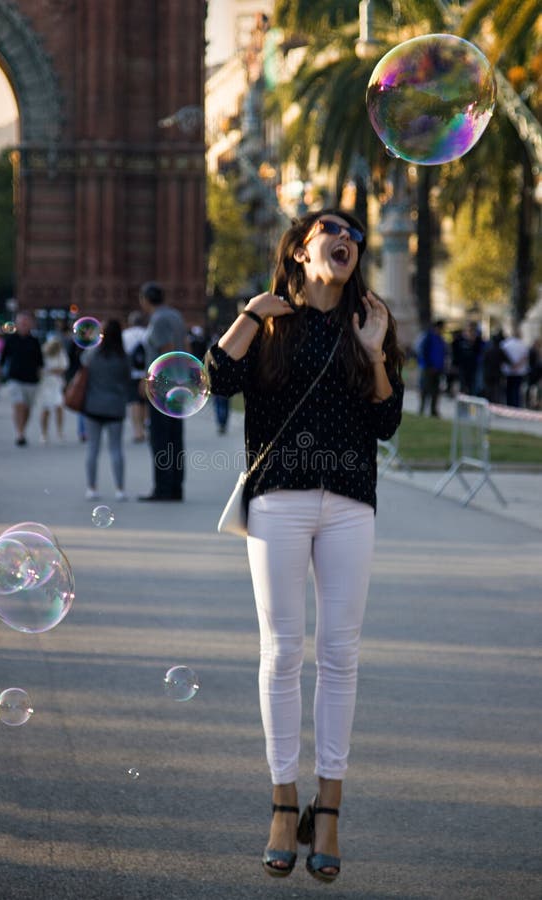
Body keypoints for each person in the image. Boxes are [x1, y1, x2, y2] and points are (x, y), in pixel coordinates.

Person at [205, 210, 404, 882]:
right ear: (300, 249)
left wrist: (376, 352)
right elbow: (216, 382)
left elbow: (386, 421)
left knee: (339, 653)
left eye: (353, 233)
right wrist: (247, 314)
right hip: (279, 502)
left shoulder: (368, 321)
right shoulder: (269, 325)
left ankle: (332, 807)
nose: (345, 237)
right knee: (282, 650)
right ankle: (283, 803)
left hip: (350, 505)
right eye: (329, 229)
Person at [138, 281, 188, 501]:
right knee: (175, 438)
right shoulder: (176, 316)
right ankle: (176, 486)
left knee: (160, 439)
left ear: (145, 299)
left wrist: (147, 380)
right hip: (179, 384)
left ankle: (163, 488)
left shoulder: (158, 319)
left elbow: (165, 352)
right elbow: (185, 347)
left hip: (162, 386)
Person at [80, 319, 131, 500]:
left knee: (92, 449)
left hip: (93, 406)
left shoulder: (92, 354)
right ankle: (119, 489)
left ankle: (91, 488)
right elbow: (127, 380)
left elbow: (82, 369)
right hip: (115, 407)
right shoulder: (124, 357)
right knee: (116, 449)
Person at [0, 311, 44, 446]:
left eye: (26, 322)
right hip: (15, 378)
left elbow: (40, 363)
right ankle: (20, 433)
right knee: (19, 405)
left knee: (27, 408)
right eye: (21, 322)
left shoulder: (34, 341)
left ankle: (23, 429)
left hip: (32, 380)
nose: (23, 325)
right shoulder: (10, 340)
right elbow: (2, 360)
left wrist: (42, 382)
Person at [122, 310, 148, 442]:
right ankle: (144, 427)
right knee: (144, 401)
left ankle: (137, 431)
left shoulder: (125, 335)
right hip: (147, 373)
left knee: (134, 401)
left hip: (131, 373)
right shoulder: (147, 334)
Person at [38, 336, 68, 442]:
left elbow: (63, 368)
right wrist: (53, 371)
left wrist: (50, 371)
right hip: (45, 385)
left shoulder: (60, 353)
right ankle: (44, 433)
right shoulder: (42, 352)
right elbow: (39, 368)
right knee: (46, 409)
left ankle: (59, 431)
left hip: (56, 384)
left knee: (59, 407)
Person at [418, 319, 446, 417]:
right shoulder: (428, 337)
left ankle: (433, 410)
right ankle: (421, 409)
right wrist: (428, 365)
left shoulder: (441, 339)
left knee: (435, 391)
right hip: (428, 369)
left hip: (438, 369)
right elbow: (423, 352)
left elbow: (442, 354)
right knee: (425, 389)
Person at [501, 326, 529, 407]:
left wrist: (512, 365)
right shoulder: (522, 344)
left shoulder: (505, 343)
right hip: (519, 371)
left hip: (508, 371)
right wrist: (517, 366)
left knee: (509, 389)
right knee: (516, 390)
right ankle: (515, 405)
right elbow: (525, 357)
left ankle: (509, 405)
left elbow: (502, 356)